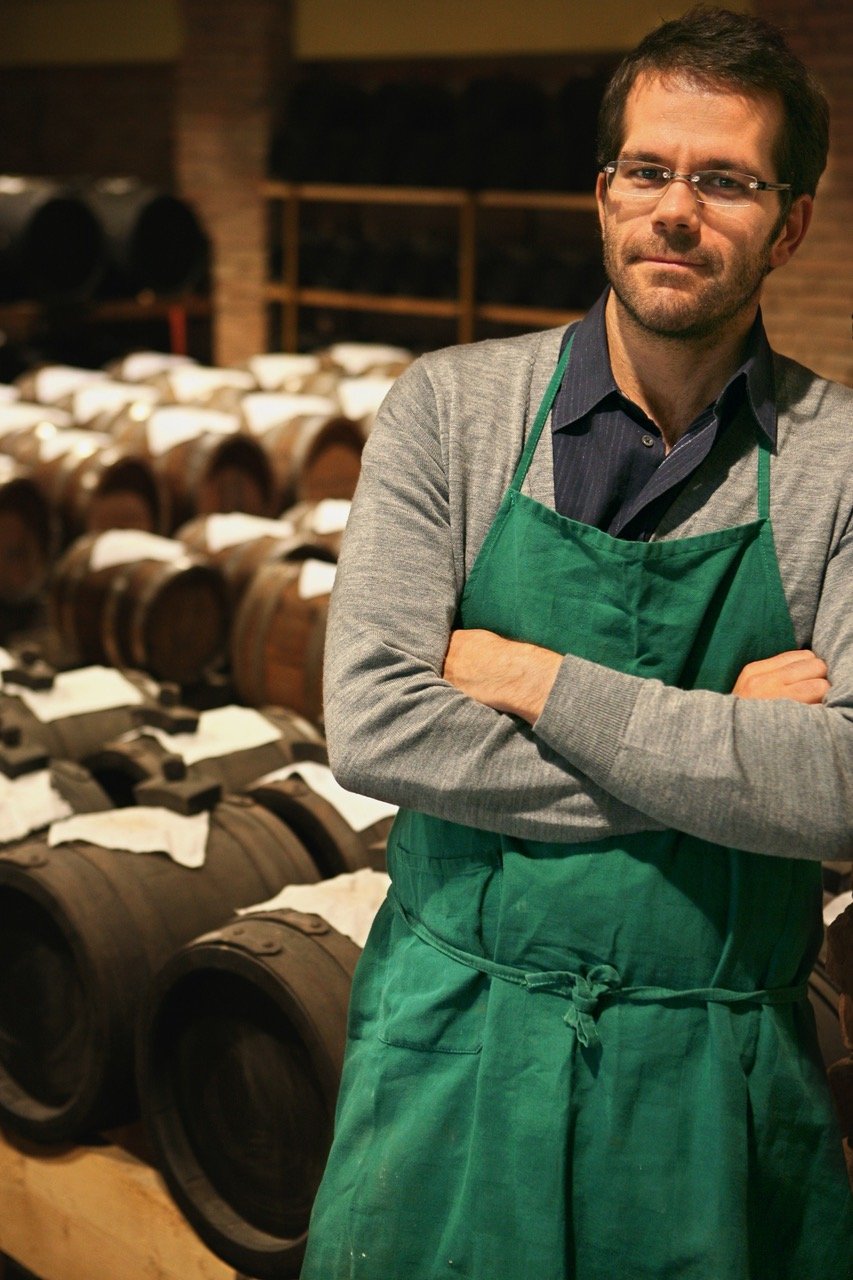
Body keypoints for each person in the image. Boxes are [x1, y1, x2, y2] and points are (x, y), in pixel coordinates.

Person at [301, 7, 853, 1278]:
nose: (677, 211)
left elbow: (837, 785)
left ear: (790, 223)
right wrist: (725, 750)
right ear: (602, 194)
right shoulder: (449, 410)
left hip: (715, 1079)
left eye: (725, 181)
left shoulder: (836, 461)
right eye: (647, 170)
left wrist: (531, 674)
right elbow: (374, 726)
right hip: (453, 1042)